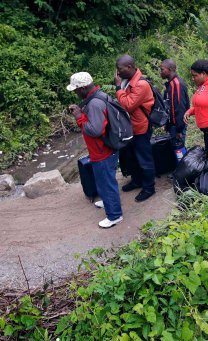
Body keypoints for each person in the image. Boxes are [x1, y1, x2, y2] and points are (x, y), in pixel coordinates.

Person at [67, 72, 124, 228]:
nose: (76, 93)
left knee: (106, 182)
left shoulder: (94, 104)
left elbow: (95, 130)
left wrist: (79, 115)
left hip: (103, 151)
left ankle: (114, 215)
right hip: (106, 148)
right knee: (104, 180)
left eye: (76, 90)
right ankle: (108, 202)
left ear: (84, 88)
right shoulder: (99, 96)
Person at [115, 54, 156, 202]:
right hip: (131, 126)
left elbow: (128, 104)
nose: (117, 73)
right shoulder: (128, 80)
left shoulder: (141, 84)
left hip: (141, 127)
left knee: (144, 158)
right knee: (133, 156)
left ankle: (149, 187)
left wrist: (118, 88)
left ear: (129, 67)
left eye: (119, 69)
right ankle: (137, 180)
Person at [160, 59, 190, 162]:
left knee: (179, 150)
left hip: (177, 125)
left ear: (170, 69)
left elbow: (180, 108)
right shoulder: (171, 83)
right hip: (173, 125)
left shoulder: (176, 84)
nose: (160, 72)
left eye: (162, 69)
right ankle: (179, 171)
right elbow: (169, 106)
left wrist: (179, 129)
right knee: (177, 149)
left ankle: (183, 174)